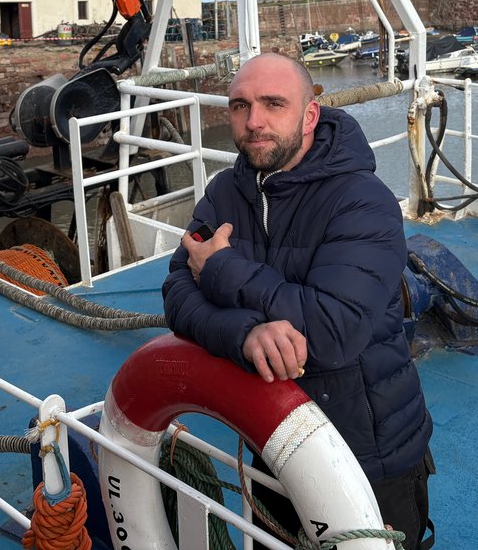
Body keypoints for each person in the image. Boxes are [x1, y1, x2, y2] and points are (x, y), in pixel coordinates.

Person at [162, 52, 434, 548]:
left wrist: (222, 271)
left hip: (369, 454)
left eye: (273, 104)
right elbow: (177, 293)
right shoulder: (226, 192)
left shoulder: (362, 200)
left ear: (310, 115)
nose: (254, 121)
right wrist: (246, 335)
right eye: (240, 106)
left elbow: (333, 333)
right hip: (273, 443)